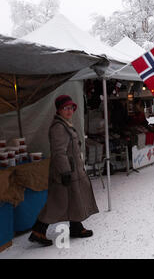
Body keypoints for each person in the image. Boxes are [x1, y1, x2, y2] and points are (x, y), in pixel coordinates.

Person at [29, 95, 99, 246]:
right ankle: (38, 231)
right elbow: (59, 152)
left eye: (71, 108)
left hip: (71, 170)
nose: (69, 111)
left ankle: (76, 227)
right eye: (65, 108)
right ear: (59, 110)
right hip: (65, 172)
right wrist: (65, 172)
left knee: (74, 198)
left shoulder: (65, 124)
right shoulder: (59, 127)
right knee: (57, 203)